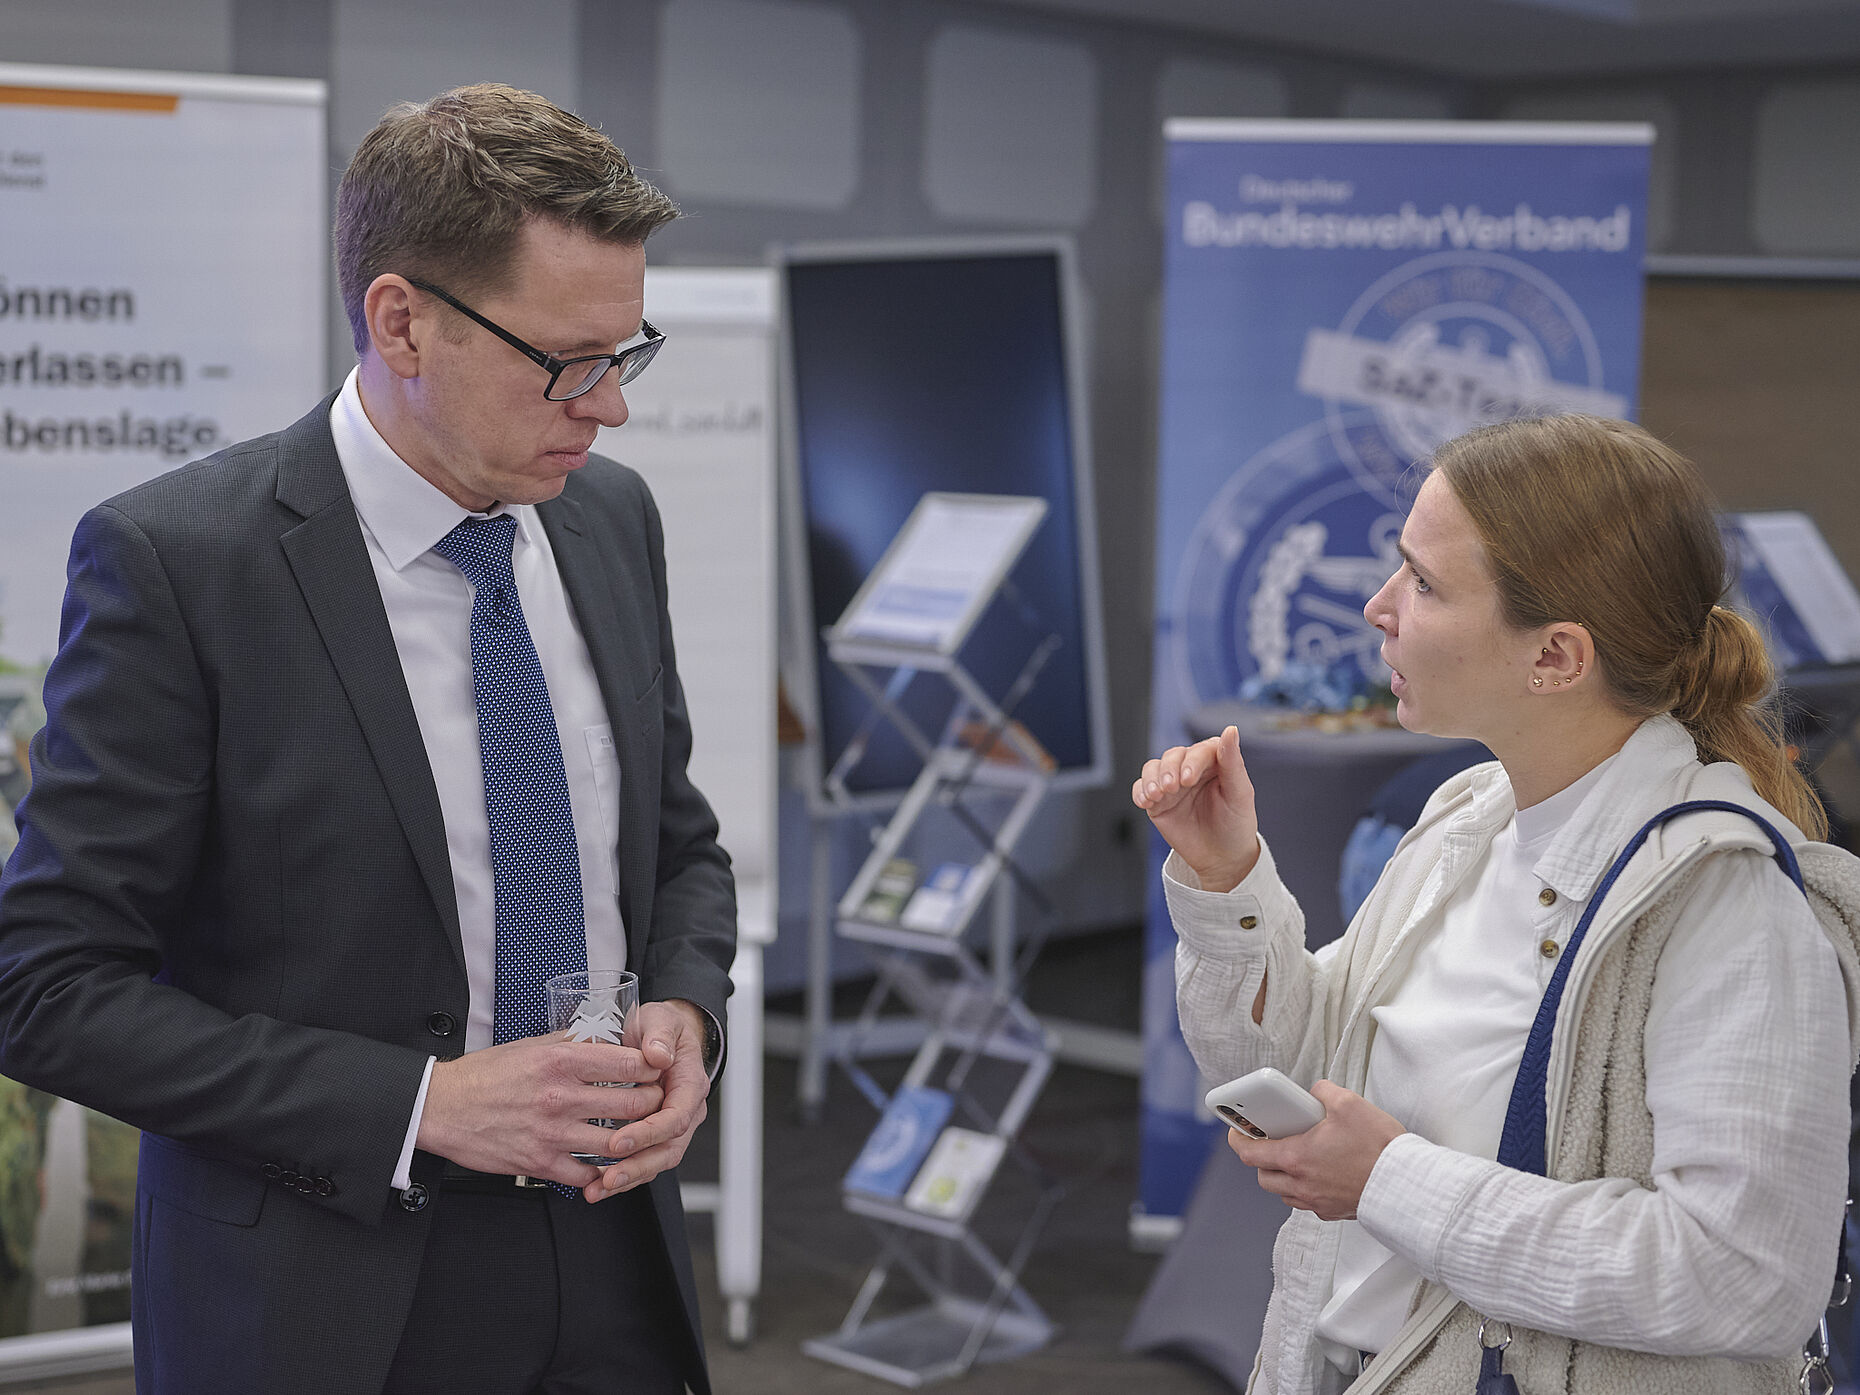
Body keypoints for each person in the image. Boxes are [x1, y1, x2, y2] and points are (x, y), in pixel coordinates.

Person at [0, 84, 735, 1395]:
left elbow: (677, 842)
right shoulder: (182, 564)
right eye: (567, 363)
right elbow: (46, 986)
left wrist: (685, 1005)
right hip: (324, 1293)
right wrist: (423, 1103)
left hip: (617, 1251)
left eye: (627, 353)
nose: (609, 408)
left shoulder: (610, 521)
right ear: (402, 320)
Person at [1135, 414, 1860, 1395]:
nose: (1379, 607)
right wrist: (1228, 882)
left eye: (1425, 584)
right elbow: (1295, 1074)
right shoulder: (1469, 819)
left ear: (1556, 658)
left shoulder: (1728, 908)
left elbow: (1743, 1280)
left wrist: (1389, 1180)